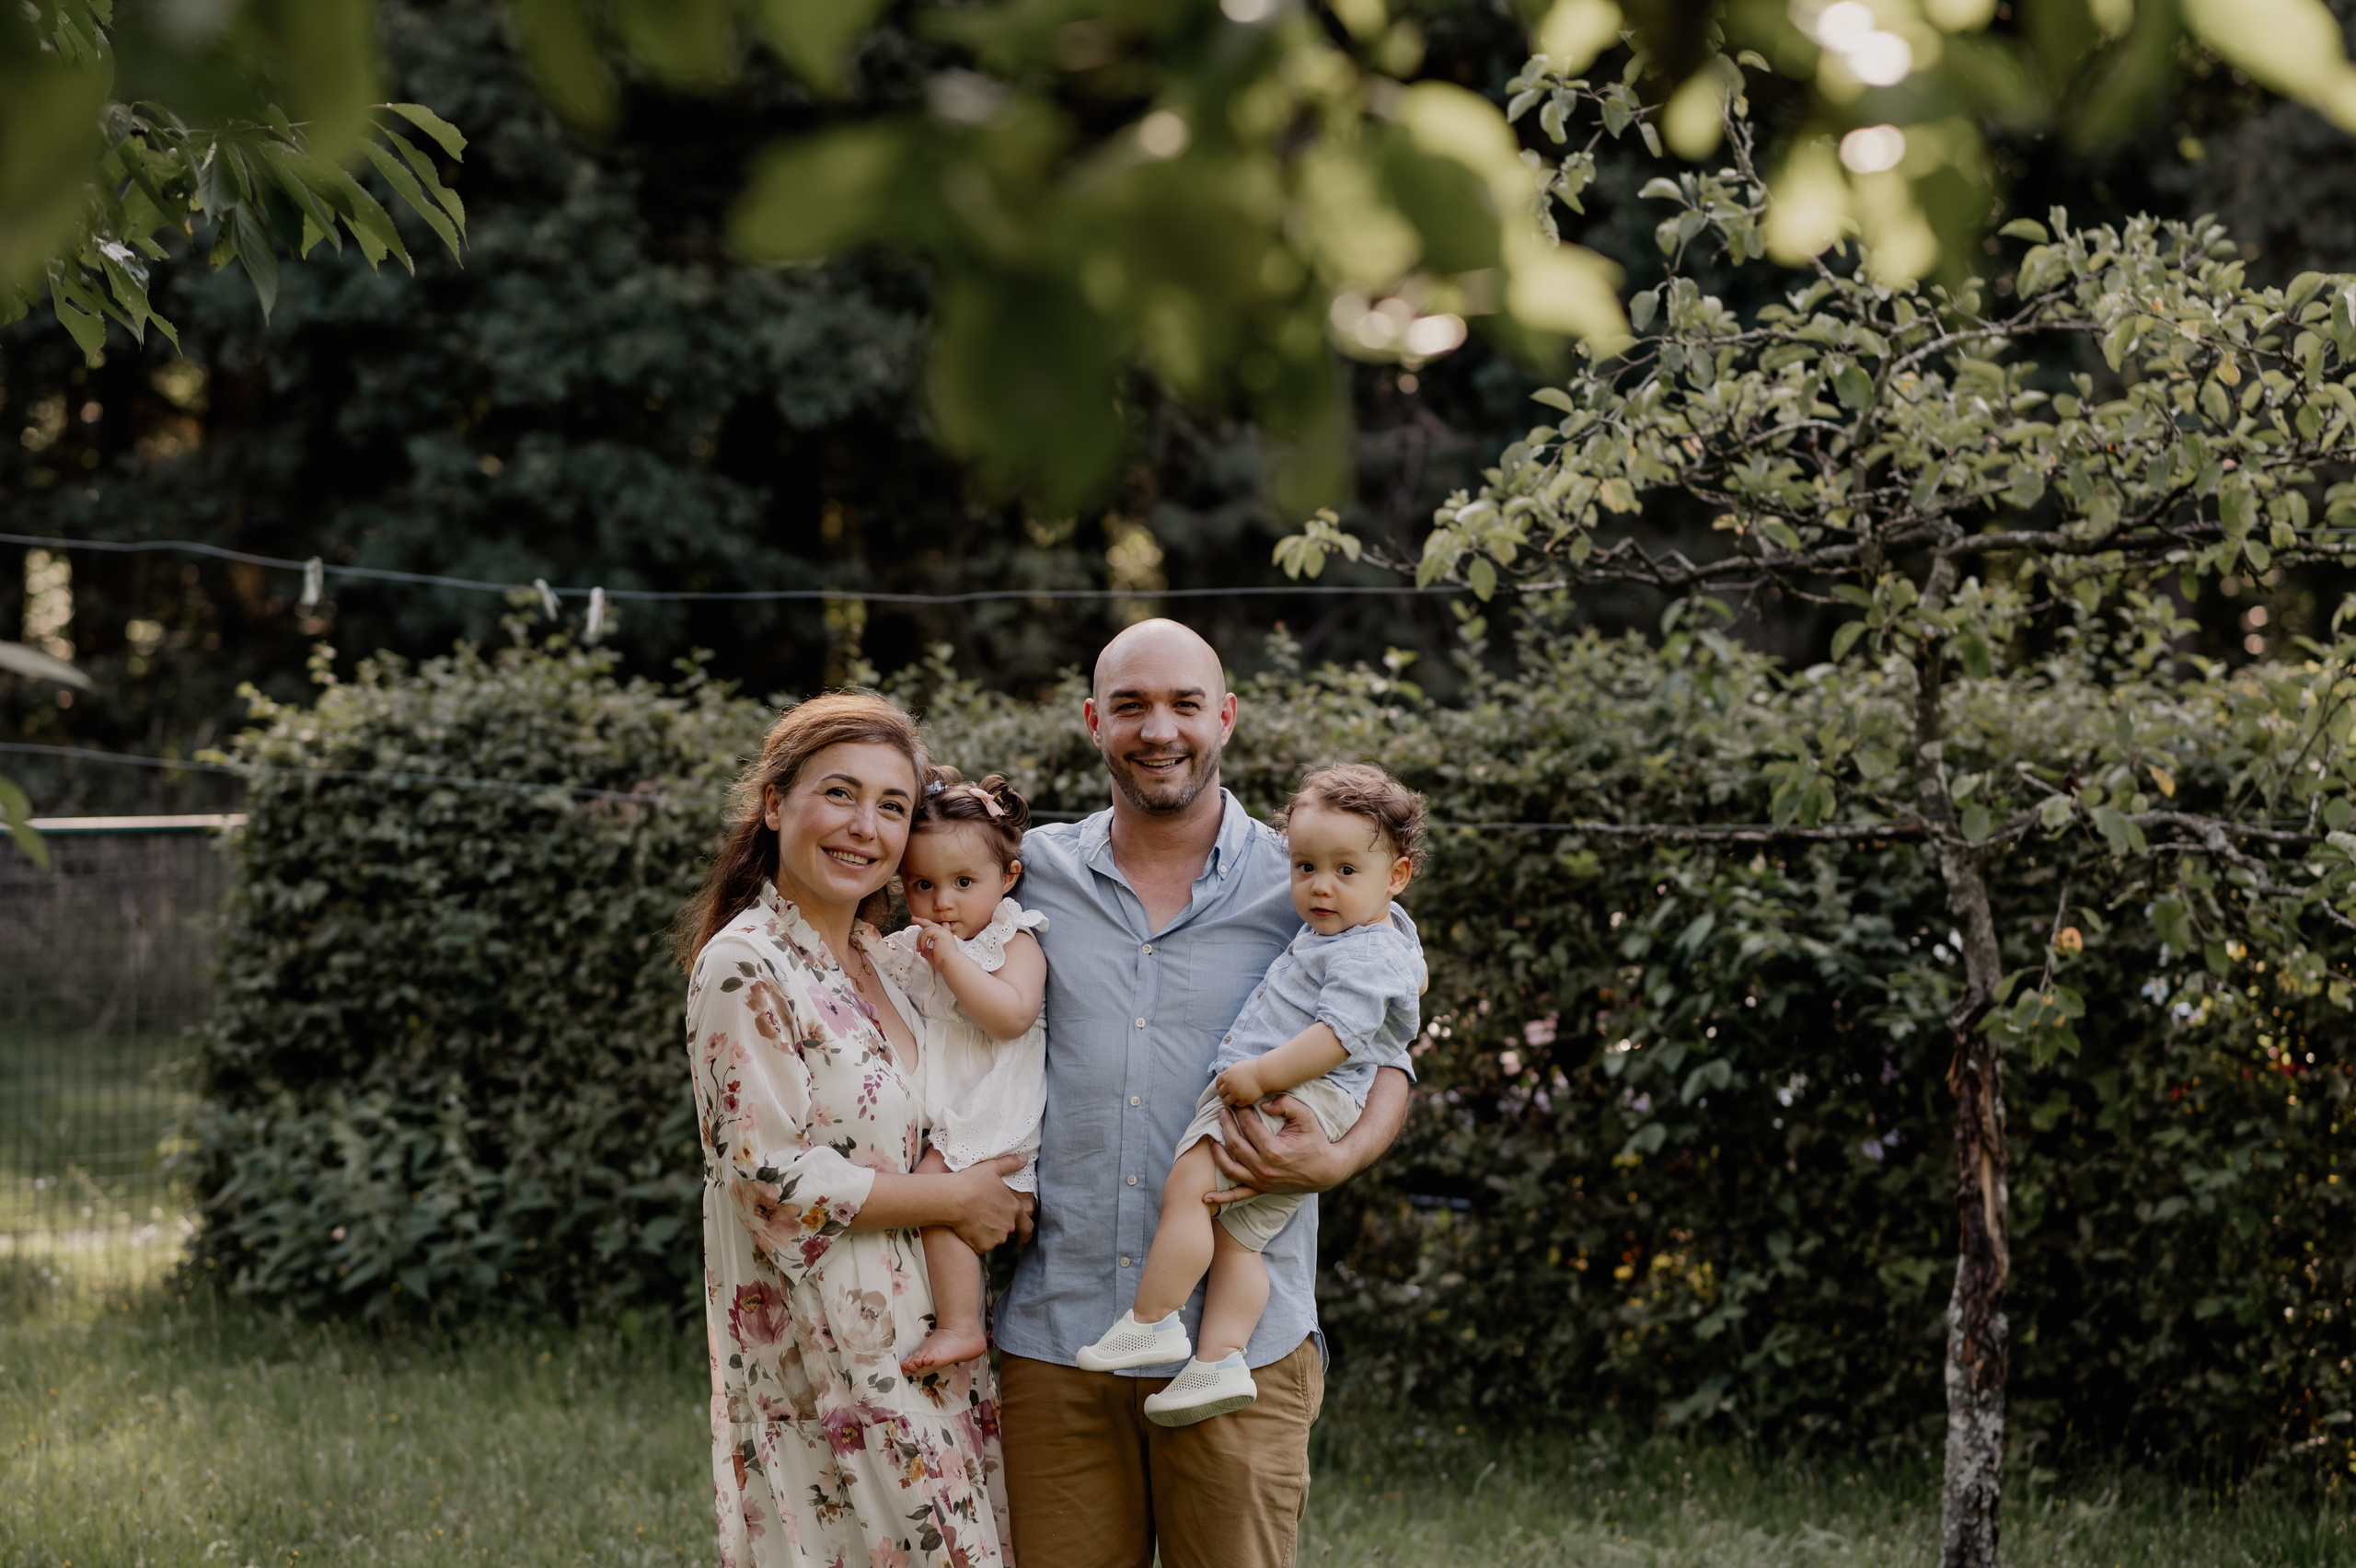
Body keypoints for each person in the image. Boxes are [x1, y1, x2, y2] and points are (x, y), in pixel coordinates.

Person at [995, 619, 1413, 1568]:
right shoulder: (1031, 874)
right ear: (1093, 719)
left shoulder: (1312, 878)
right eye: (1132, 705)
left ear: (1223, 716)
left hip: (1241, 1356)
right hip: (1058, 1338)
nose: (1159, 729)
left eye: (1185, 703)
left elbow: (1392, 1057)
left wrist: (1339, 1155)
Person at [676, 692, 1034, 1568]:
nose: (864, 828)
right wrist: (960, 1196)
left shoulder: (892, 959)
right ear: (773, 804)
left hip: (926, 1338)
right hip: (824, 1350)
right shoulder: (745, 962)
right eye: (839, 794)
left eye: (892, 806)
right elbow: (768, 1177)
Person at [1076, 764, 1426, 1426]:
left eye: (1346, 871)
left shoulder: (1361, 950)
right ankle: (1219, 1361)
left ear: (1397, 876)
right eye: (1304, 867)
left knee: (1188, 1191)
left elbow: (1341, 1034)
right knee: (1240, 1239)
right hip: (1309, 1098)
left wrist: (1262, 1076)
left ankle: (1151, 1321)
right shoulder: (1375, 935)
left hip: (1287, 1094)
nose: (1320, 887)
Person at [873, 766, 1050, 1377]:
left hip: (992, 1110)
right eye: (922, 884)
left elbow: (1011, 1017)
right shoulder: (916, 946)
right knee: (928, 1188)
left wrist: (951, 963)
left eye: (964, 882)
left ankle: (962, 1326)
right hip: (949, 1108)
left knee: (935, 1188)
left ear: (1008, 878)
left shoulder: (1013, 940)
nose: (942, 903)